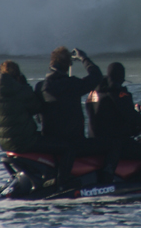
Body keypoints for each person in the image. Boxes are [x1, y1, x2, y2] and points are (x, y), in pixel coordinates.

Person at [0, 60, 75, 189]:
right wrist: (26, 85)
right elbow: (37, 107)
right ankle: (62, 182)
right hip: (25, 141)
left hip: (4, 144)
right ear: (18, 76)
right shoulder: (21, 91)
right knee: (67, 147)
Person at [36, 46, 118, 183]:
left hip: (50, 141)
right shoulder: (71, 84)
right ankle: (107, 181)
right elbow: (96, 76)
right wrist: (83, 58)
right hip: (73, 142)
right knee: (114, 144)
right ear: (69, 65)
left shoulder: (40, 86)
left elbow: (38, 116)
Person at [85, 62, 141, 176]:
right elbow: (133, 119)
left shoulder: (96, 91)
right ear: (121, 78)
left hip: (94, 141)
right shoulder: (117, 94)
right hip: (114, 144)